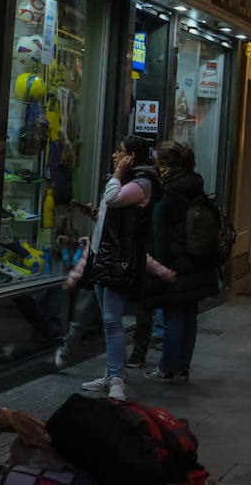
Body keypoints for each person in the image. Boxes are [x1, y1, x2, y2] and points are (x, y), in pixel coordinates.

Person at [82, 134, 159, 400]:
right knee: (108, 320)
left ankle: (116, 380)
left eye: (120, 151)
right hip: (102, 255)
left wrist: (116, 174)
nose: (115, 155)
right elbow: (113, 213)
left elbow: (114, 198)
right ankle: (112, 373)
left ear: (131, 157)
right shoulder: (127, 180)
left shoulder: (142, 182)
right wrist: (97, 216)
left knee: (113, 320)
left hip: (118, 260)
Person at [142, 141, 220, 383]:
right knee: (189, 314)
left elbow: (158, 235)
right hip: (198, 259)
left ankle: (167, 367)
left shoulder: (166, 192)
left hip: (174, 262)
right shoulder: (196, 185)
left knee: (173, 314)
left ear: (164, 165)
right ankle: (183, 366)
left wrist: (159, 268)